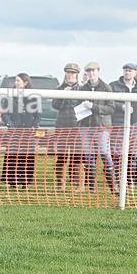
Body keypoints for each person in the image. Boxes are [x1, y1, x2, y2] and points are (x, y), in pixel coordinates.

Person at [76, 62, 117, 193]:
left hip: (101, 127)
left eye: (94, 71)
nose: (91, 73)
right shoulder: (82, 89)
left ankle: (113, 187)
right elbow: (77, 105)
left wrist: (94, 107)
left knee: (105, 154)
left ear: (98, 72)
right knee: (88, 156)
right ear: (86, 73)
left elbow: (111, 108)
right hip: (85, 127)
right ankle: (91, 188)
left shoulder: (106, 87)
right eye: (89, 71)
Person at [0, 73, 41, 188]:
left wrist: (34, 126)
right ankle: (13, 182)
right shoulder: (10, 97)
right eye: (15, 81)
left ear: (25, 83)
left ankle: (25, 182)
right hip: (14, 133)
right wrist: (10, 125)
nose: (15, 83)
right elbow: (4, 114)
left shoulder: (33, 98)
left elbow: (38, 116)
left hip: (28, 133)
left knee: (27, 157)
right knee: (13, 156)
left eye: (18, 80)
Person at [108, 63, 137, 188]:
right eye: (125, 70)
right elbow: (109, 100)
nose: (127, 73)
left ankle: (130, 180)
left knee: (132, 154)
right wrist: (121, 106)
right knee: (117, 154)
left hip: (135, 124)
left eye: (130, 71)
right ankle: (117, 179)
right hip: (118, 123)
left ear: (134, 73)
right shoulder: (113, 85)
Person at [51, 63, 81, 191]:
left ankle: (78, 184)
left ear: (77, 75)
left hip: (76, 127)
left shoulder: (82, 89)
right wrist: (63, 95)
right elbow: (55, 106)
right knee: (61, 157)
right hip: (62, 127)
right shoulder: (59, 88)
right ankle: (61, 184)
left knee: (77, 157)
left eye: (72, 73)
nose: (70, 75)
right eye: (68, 73)